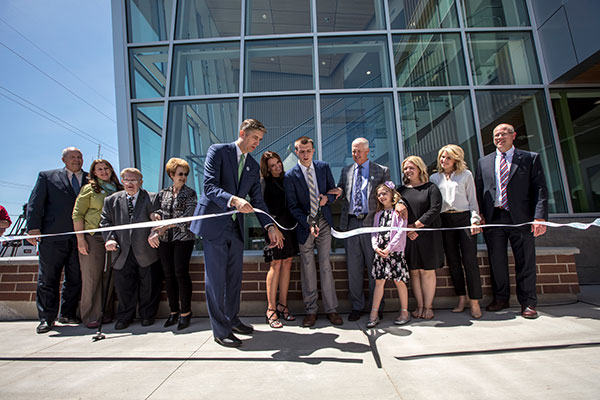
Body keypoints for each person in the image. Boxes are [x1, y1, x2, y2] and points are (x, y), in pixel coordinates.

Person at [189, 119, 284, 348]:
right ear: (242, 132)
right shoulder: (218, 151)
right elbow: (209, 187)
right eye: (254, 138)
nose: (257, 143)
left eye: (260, 140)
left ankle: (232, 319)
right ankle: (220, 331)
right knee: (216, 280)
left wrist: (270, 226)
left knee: (234, 280)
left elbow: (258, 200)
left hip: (235, 229)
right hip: (214, 226)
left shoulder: (252, 166)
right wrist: (233, 199)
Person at [475, 123, 548, 319]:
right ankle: (501, 298)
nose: (499, 138)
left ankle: (528, 303)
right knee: (497, 261)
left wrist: (539, 217)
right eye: (496, 135)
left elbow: (539, 189)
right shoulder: (484, 162)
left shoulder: (529, 158)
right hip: (494, 218)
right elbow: (480, 191)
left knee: (525, 261)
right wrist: (480, 214)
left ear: (513, 136)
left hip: (521, 218)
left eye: (503, 134)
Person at [27, 147, 88, 334]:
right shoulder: (47, 177)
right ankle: (46, 318)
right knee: (48, 278)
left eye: (79, 157)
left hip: (81, 237)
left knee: (75, 277)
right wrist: (33, 228)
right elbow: (35, 203)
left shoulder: (90, 179)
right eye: (72, 157)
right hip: (53, 236)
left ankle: (68, 313)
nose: (77, 160)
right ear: (63, 159)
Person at [329, 137, 390, 322]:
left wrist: (400, 204)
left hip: (372, 224)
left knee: (374, 268)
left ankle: (376, 306)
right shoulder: (347, 170)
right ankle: (357, 306)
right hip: (351, 224)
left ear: (368, 151)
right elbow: (341, 189)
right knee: (353, 269)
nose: (355, 154)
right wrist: (337, 192)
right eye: (353, 151)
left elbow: (389, 194)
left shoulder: (381, 171)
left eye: (358, 151)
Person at [284, 136, 343, 328]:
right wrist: (308, 222)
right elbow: (292, 207)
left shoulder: (323, 167)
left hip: (324, 222)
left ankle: (332, 309)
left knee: (325, 265)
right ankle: (311, 311)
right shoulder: (290, 176)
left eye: (308, 150)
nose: (305, 154)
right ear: (296, 153)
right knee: (307, 267)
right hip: (304, 227)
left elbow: (333, 193)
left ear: (313, 150)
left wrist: (327, 198)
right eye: (301, 151)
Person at [100, 168, 161, 330]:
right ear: (122, 182)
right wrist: (110, 238)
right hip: (122, 252)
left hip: (145, 250)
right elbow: (105, 222)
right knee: (124, 287)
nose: (130, 183)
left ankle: (147, 315)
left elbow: (157, 217)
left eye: (133, 180)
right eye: (126, 180)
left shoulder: (152, 198)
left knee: (148, 285)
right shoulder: (111, 200)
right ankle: (125, 317)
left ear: (141, 182)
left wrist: (155, 232)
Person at [430, 145, 483, 319]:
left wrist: (475, 220)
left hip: (464, 219)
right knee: (453, 261)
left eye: (447, 158)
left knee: (469, 260)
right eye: (442, 157)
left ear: (456, 159)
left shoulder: (466, 175)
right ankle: (461, 298)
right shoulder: (434, 178)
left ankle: (474, 301)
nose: (443, 161)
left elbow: (473, 200)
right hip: (445, 220)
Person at [148, 158, 197, 331]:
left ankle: (185, 312)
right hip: (165, 240)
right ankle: (173, 311)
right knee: (168, 275)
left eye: (185, 174)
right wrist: (155, 218)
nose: (183, 177)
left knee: (180, 273)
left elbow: (188, 217)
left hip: (183, 239)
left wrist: (165, 226)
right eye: (180, 174)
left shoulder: (190, 193)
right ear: (171, 175)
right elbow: (155, 210)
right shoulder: (163, 193)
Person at [72, 159, 122, 329]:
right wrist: (81, 240)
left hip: (114, 237)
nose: (103, 171)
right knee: (92, 277)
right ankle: (90, 315)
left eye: (106, 168)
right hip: (94, 237)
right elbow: (77, 215)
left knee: (109, 276)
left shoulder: (119, 189)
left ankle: (105, 313)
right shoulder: (89, 190)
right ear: (93, 173)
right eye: (99, 169)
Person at [397, 156, 443, 320]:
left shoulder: (431, 188)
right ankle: (420, 306)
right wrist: (409, 229)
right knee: (414, 272)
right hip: (410, 237)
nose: (408, 171)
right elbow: (396, 210)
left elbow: (435, 209)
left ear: (420, 169)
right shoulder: (400, 191)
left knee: (427, 272)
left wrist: (416, 225)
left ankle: (429, 307)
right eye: (406, 168)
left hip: (428, 235)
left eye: (411, 168)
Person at [259, 151, 299, 328]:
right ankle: (271, 309)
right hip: (274, 229)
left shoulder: (287, 179)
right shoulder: (264, 183)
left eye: (278, 163)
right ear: (267, 168)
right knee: (275, 264)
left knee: (287, 262)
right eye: (272, 165)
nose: (277, 167)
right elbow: (262, 208)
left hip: (290, 227)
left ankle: (283, 305)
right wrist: (274, 228)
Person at [367, 182, 410, 328]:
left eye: (385, 193)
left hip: (395, 252)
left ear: (392, 194)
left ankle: (404, 312)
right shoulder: (378, 214)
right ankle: (374, 314)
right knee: (379, 283)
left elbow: (400, 231)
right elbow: (374, 232)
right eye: (379, 194)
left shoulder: (398, 212)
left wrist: (389, 248)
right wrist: (375, 247)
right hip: (380, 253)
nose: (382, 196)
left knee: (399, 282)